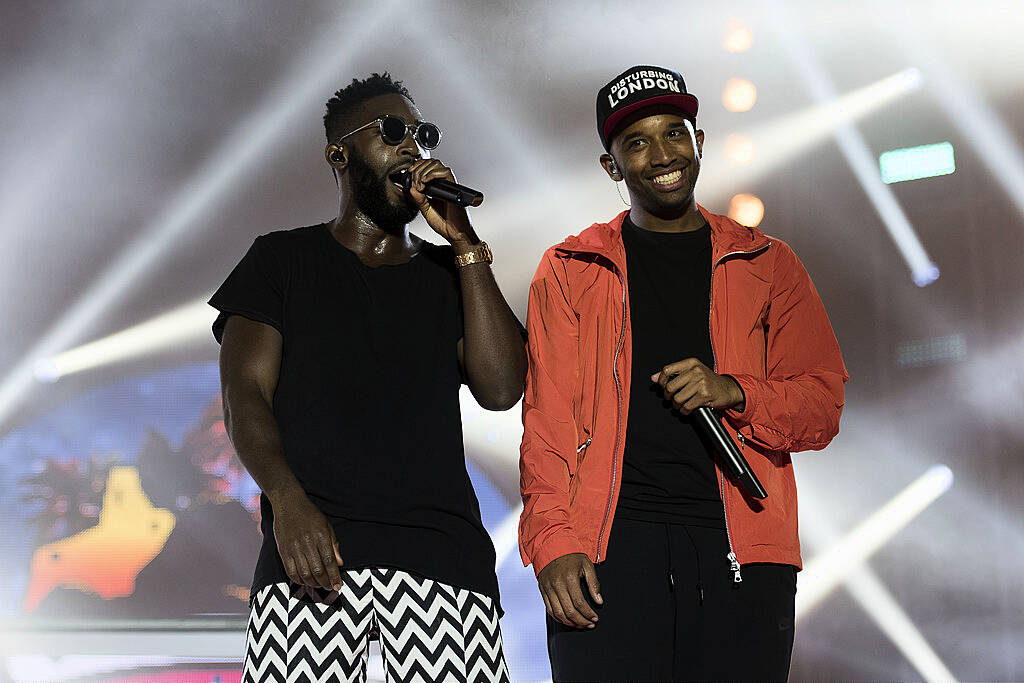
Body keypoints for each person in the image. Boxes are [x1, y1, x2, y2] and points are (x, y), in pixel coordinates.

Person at [518, 65, 849, 681]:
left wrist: (735, 392)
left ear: (701, 140)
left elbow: (822, 405)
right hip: (608, 551)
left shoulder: (768, 263)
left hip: (742, 547)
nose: (662, 154)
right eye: (636, 142)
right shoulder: (570, 269)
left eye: (675, 133)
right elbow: (546, 423)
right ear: (611, 166)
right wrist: (554, 545)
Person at [210, 72, 524, 683]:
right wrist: (287, 501)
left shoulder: (449, 272)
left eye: (423, 135)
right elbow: (244, 394)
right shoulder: (280, 261)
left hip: (440, 553)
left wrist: (465, 242)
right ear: (339, 153)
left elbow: (502, 388)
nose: (413, 148)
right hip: (313, 550)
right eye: (394, 132)